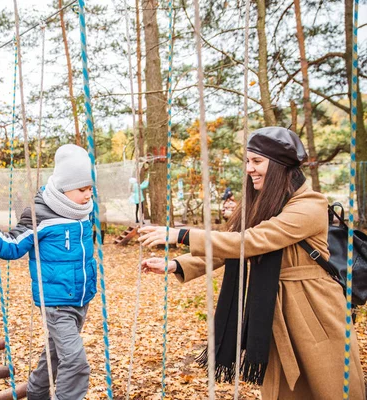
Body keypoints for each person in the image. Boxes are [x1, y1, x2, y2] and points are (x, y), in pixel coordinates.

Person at [137, 127, 365, 400]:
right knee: (285, 390)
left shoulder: (309, 205)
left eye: (257, 161)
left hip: (315, 309)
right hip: (274, 308)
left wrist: (183, 234)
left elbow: (252, 241)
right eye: (247, 161)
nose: (249, 169)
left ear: (280, 165)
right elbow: (234, 246)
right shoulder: (265, 203)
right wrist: (177, 265)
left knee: (328, 386)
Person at [0, 144, 96, 400]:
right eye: (82, 189)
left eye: (90, 188)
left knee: (56, 353)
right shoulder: (41, 215)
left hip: (81, 300)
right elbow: (11, 247)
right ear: (64, 187)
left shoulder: (82, 213)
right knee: (76, 362)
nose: (88, 195)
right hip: (57, 305)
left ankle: (36, 393)